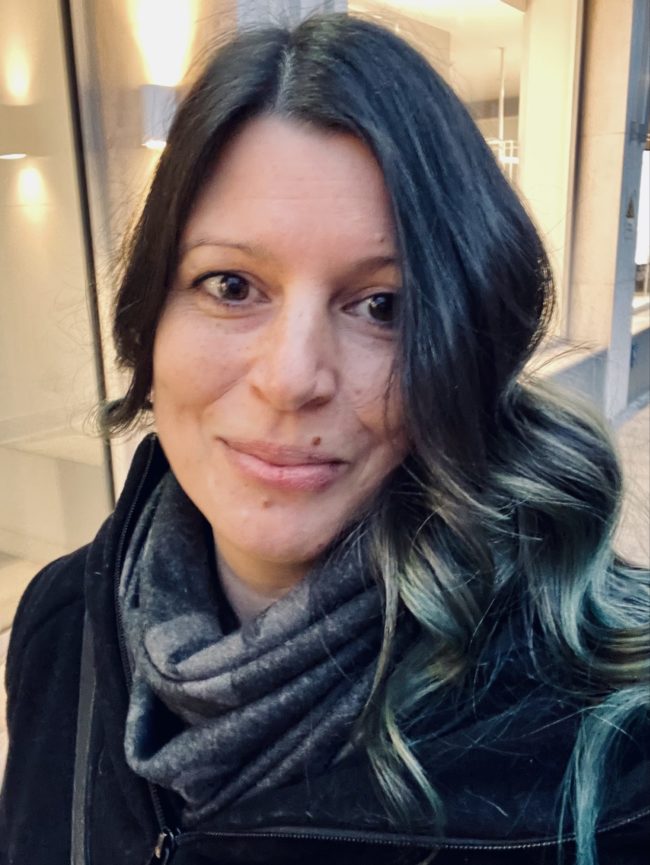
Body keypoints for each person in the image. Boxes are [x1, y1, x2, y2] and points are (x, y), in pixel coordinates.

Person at [1, 14, 648, 865]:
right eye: (231, 286)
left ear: (462, 349)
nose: (292, 377)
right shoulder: (61, 626)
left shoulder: (613, 738)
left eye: (383, 306)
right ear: (150, 319)